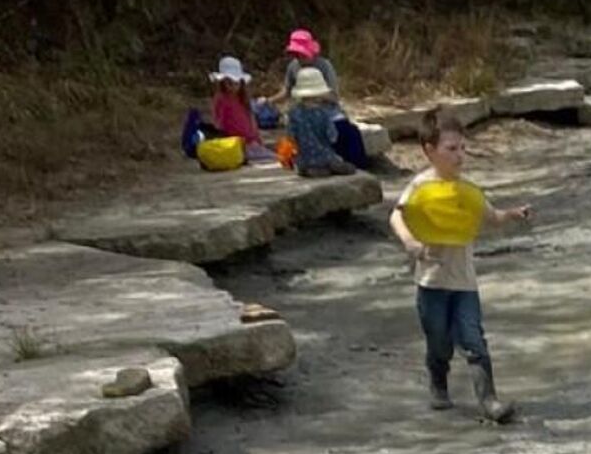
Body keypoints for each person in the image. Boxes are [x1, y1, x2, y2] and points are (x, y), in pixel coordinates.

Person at [390, 116, 530, 422]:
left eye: (462, 148)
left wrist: (512, 214)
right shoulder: (419, 186)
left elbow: (490, 216)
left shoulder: (468, 190)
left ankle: (489, 401)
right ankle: (438, 383)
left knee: (474, 340)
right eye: (451, 148)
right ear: (429, 150)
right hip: (431, 282)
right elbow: (397, 217)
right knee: (439, 342)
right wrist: (411, 242)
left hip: (464, 283)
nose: (459, 155)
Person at [282, 28, 369, 169]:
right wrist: (268, 101)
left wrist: (316, 95)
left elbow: (334, 96)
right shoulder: (293, 67)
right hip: (303, 107)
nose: (300, 58)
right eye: (296, 55)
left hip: (328, 108)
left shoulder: (324, 65)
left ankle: (356, 165)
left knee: (348, 131)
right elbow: (286, 90)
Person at [207, 57, 276, 163]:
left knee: (274, 148)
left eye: (236, 83)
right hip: (234, 144)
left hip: (250, 141)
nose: (234, 87)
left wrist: (257, 138)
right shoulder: (221, 99)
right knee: (273, 157)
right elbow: (219, 122)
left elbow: (251, 120)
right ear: (223, 83)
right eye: (229, 83)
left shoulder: (243, 99)